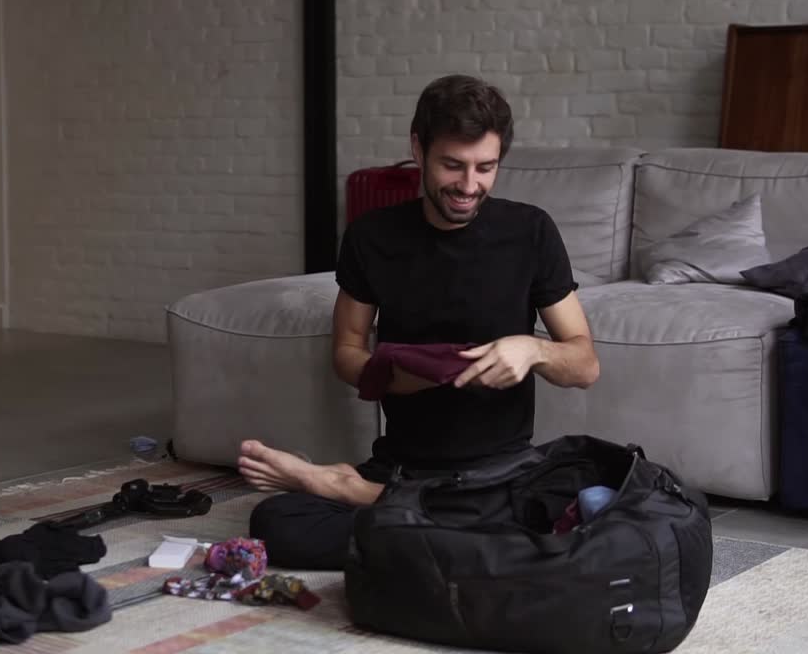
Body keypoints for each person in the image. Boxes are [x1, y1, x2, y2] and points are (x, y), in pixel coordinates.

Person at [238, 74, 600, 570]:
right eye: (453, 165)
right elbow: (346, 352)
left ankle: (351, 491)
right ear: (418, 148)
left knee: (573, 511)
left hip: (497, 472)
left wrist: (532, 350)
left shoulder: (530, 231)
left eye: (486, 168)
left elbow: (584, 364)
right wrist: (392, 375)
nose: (470, 186)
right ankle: (433, 525)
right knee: (277, 524)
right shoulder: (372, 237)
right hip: (402, 466)